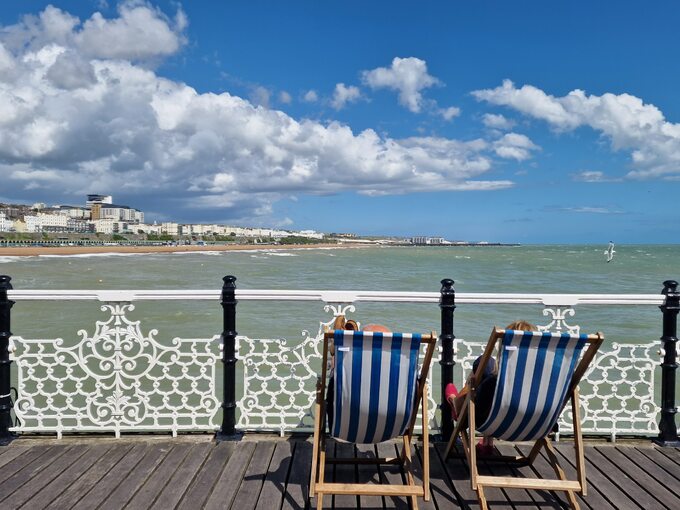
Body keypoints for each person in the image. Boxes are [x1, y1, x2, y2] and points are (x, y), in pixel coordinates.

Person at [445, 320, 538, 455]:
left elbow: (481, 405)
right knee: (489, 373)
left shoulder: (496, 380)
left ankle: (456, 403)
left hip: (490, 420)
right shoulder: (550, 381)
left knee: (485, 362)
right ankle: (487, 442)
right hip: (534, 425)